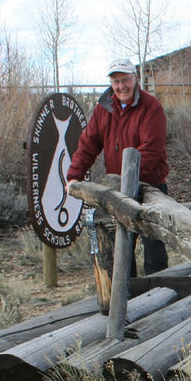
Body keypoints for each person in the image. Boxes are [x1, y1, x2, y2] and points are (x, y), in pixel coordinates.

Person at [66, 58, 169, 275]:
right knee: (122, 250)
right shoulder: (104, 109)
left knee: (155, 252)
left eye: (125, 80)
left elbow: (151, 152)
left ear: (135, 79)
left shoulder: (151, 108)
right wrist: (74, 175)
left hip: (150, 187)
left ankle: (161, 294)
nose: (121, 86)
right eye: (115, 82)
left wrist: (127, 181)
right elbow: (88, 144)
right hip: (117, 189)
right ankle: (128, 298)